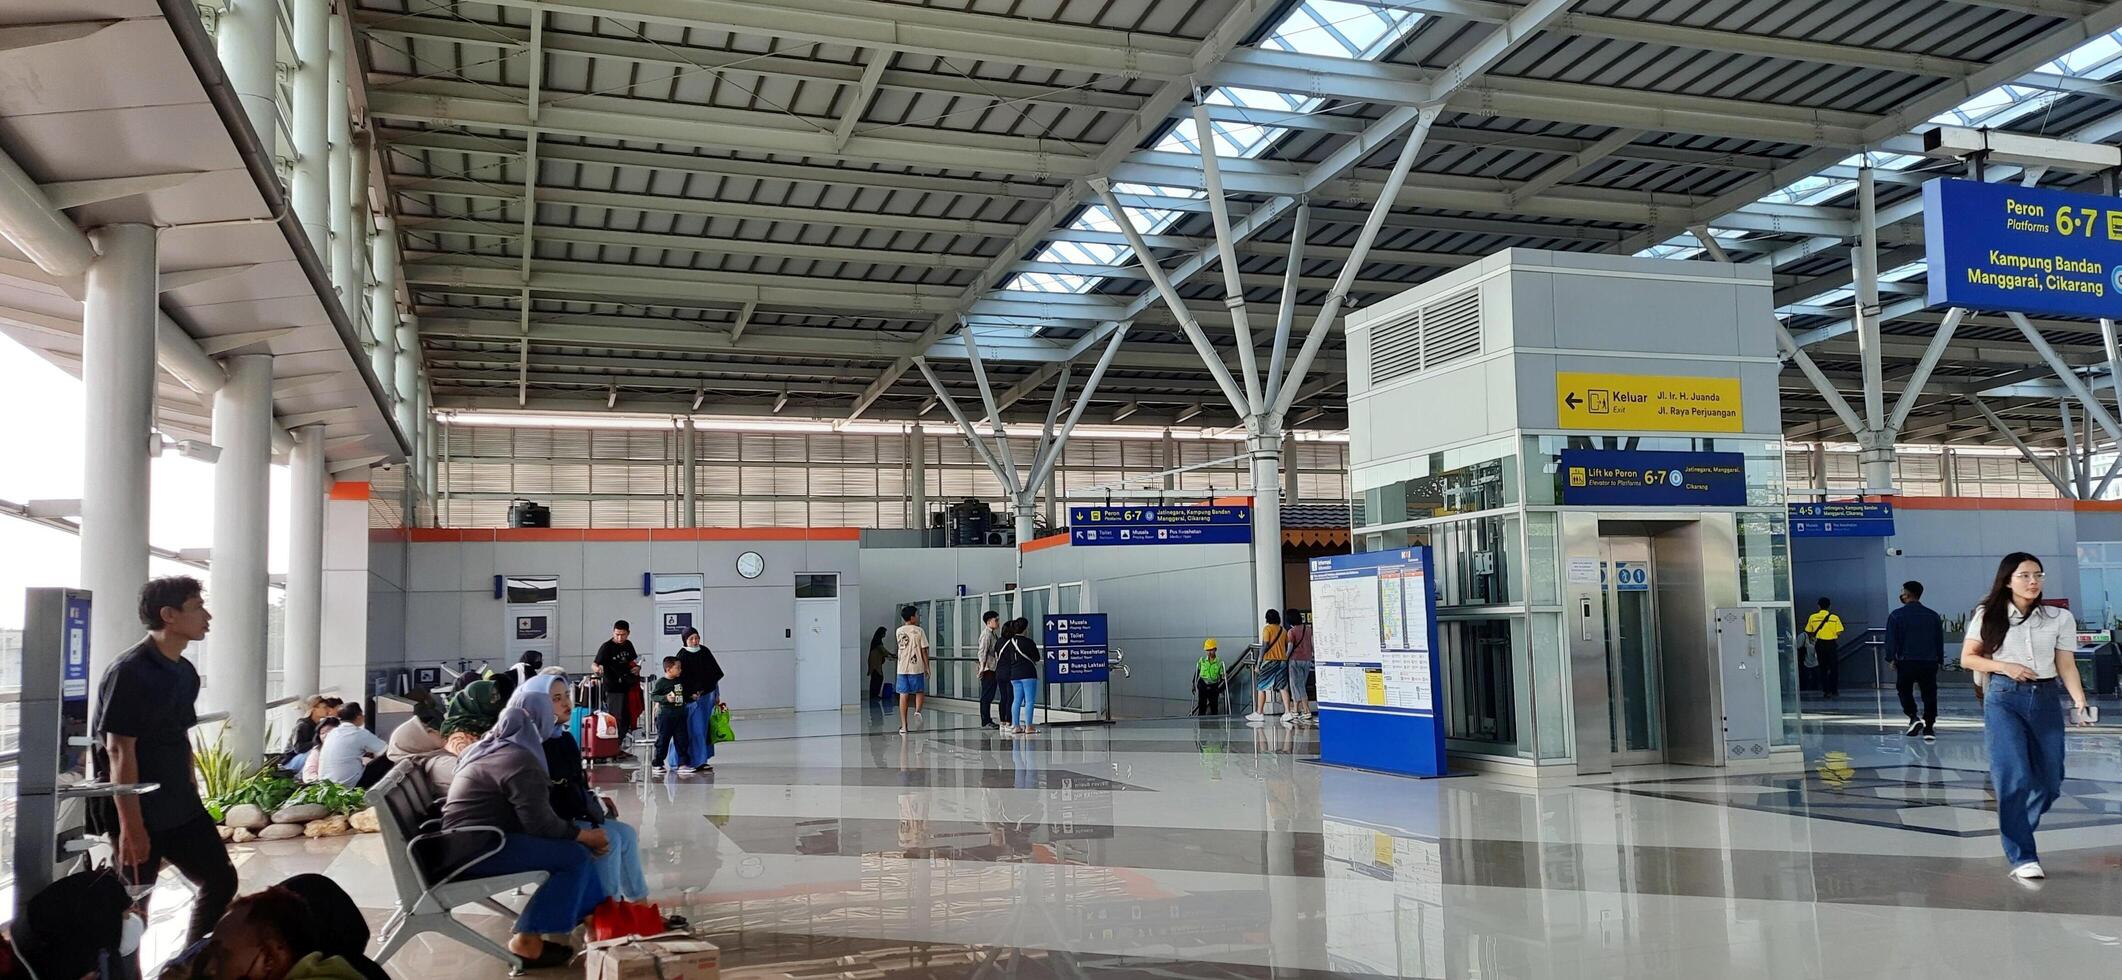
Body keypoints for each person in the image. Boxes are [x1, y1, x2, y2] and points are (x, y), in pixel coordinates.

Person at [92, 575, 237, 949]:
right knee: (133, 907)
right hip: (137, 808)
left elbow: (179, 736)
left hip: (179, 803)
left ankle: (189, 964)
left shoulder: (184, 672)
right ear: (168, 615)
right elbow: (119, 749)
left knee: (221, 879)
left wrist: (191, 787)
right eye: (197, 607)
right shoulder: (129, 671)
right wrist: (132, 826)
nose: (208, 615)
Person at [443, 676, 611, 968]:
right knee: (573, 855)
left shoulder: (492, 746)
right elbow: (542, 826)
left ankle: (596, 919)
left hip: (467, 841)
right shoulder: (520, 760)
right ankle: (527, 939)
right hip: (478, 849)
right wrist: (587, 837)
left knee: (574, 850)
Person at [1962, 552, 2095, 880]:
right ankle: (2022, 855)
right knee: (2014, 776)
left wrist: (2079, 701)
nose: (2033, 581)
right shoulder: (1988, 614)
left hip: (2046, 697)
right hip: (2004, 698)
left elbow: (2066, 663)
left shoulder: (2058, 618)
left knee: (2050, 781)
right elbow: (1968, 658)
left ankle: (2016, 826)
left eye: (2038, 575)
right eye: (2024, 575)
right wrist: (2004, 665)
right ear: (2008, 580)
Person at [534, 677, 651, 902]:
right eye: (556, 699)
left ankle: (640, 905)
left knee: (625, 834)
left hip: (571, 812)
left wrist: (594, 799)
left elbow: (575, 781)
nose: (566, 703)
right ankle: (606, 909)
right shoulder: (535, 744)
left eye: (567, 696)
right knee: (610, 840)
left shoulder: (564, 738)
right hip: (553, 822)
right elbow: (544, 799)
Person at [1886, 580, 1946, 740]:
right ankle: (1929, 727)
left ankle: (1913, 716)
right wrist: (1939, 659)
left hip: (1906, 661)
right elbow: (1939, 640)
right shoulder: (1933, 616)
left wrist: (1891, 658)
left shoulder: (1896, 615)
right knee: (1929, 692)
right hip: (1929, 661)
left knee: (1904, 689)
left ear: (1906, 594)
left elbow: (1892, 639)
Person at [673, 627, 724, 771]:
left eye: (697, 638)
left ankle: (702, 760)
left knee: (705, 729)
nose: (695, 641)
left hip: (707, 696)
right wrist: (689, 694)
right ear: (685, 640)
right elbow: (678, 680)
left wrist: (717, 694)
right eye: (691, 639)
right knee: (693, 729)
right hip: (691, 700)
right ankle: (687, 760)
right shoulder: (682, 656)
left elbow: (714, 676)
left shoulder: (705, 652)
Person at [315, 701, 394, 788]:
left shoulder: (333, 733)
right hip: (349, 785)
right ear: (359, 716)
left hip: (326, 786)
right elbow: (387, 751)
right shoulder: (359, 733)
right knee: (387, 757)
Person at [441, 671, 517, 754]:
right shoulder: (459, 739)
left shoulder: (491, 723)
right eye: (492, 697)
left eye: (497, 695)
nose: (496, 700)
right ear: (475, 702)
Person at [386, 715, 457, 797]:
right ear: (416, 742)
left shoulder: (433, 761)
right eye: (428, 731)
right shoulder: (442, 764)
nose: (436, 731)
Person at [593, 619, 642, 735]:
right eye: (617, 634)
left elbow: (634, 662)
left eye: (623, 635)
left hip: (627, 685)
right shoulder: (607, 647)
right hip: (613, 687)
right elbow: (595, 664)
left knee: (627, 715)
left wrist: (637, 668)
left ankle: (623, 737)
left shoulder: (628, 645)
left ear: (628, 633)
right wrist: (597, 669)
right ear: (613, 633)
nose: (620, 638)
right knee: (616, 715)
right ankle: (615, 740)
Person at [649, 655, 696, 776]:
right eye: (678, 668)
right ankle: (658, 763)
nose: (680, 670)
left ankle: (683, 763)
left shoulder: (680, 681)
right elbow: (653, 696)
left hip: (680, 716)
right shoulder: (661, 682)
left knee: (682, 740)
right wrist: (665, 698)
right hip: (665, 716)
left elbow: (682, 695)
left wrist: (691, 697)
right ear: (669, 669)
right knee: (663, 740)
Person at [1000, 618, 1043, 735]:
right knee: (1029, 701)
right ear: (1025, 628)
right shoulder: (1029, 642)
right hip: (1028, 674)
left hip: (1014, 674)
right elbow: (1037, 657)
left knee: (1016, 700)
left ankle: (1016, 726)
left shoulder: (1009, 643)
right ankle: (1029, 726)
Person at [1247, 608, 1289, 724]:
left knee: (1261, 686)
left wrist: (1258, 663)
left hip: (1270, 660)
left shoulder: (1267, 629)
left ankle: (1259, 712)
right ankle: (1287, 712)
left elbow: (1264, 646)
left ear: (1267, 618)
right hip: (1282, 661)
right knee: (1282, 686)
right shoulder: (1283, 630)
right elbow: (1287, 644)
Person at [896, 605, 929, 734]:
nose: (918, 616)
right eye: (917, 614)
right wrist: (927, 667)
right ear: (912, 617)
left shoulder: (898, 631)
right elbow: (924, 650)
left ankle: (904, 726)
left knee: (903, 694)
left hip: (902, 667)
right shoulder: (919, 631)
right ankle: (917, 711)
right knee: (919, 691)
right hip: (916, 666)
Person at [1805, 597, 1844, 698]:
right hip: (1831, 644)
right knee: (1834, 668)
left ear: (1818, 606)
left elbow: (1809, 630)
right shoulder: (1834, 618)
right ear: (1829, 606)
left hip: (1820, 644)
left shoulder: (1813, 617)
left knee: (1823, 668)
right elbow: (1839, 632)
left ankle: (1826, 691)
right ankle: (1834, 690)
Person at [1283, 608, 1315, 726]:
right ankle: (1296, 709)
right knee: (1301, 683)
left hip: (1295, 660)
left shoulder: (1291, 632)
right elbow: (1312, 644)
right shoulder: (1308, 629)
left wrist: (1285, 658)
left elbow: (1290, 646)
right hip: (1307, 660)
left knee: (1296, 684)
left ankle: (1306, 710)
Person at [976, 610, 1005, 729]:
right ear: (988, 622)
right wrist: (982, 667)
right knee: (986, 695)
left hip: (993, 667)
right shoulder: (986, 635)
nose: (998, 622)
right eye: (996, 620)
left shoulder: (993, 634)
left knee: (990, 694)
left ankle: (987, 719)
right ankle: (985, 720)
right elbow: (982, 652)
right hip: (988, 668)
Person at [301, 718, 339, 783]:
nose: (325, 735)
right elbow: (309, 773)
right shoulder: (317, 751)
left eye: (329, 730)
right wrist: (322, 784)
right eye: (322, 733)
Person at [1195, 639, 1226, 716]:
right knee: (1202, 707)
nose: (1209, 652)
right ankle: (1201, 726)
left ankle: (1215, 726)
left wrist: (1224, 676)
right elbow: (1196, 673)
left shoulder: (1219, 662)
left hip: (1213, 686)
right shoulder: (1202, 660)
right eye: (1207, 650)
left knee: (1214, 707)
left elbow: (1222, 676)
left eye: (1211, 650)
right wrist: (1193, 684)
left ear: (1215, 650)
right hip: (1203, 684)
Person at [866, 626, 892, 701]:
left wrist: (889, 655)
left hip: (875, 663)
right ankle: (874, 695)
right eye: (884, 633)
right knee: (877, 678)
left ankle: (874, 694)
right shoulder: (877, 642)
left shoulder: (876, 641)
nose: (885, 634)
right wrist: (891, 655)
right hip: (875, 664)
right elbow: (883, 651)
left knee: (875, 678)